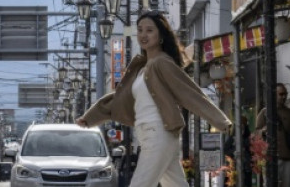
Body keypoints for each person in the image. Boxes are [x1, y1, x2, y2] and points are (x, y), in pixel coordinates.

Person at [76, 11, 232, 186]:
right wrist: (90, 118)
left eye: (149, 30)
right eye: (140, 30)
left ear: (161, 35)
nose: (143, 35)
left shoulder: (162, 62)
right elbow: (120, 99)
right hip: (150, 134)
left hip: (158, 133)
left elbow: (190, 93)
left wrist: (221, 121)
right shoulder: (142, 68)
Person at [255, 84, 290, 186]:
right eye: (281, 94)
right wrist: (263, 131)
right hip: (271, 159)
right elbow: (256, 134)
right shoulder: (265, 112)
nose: (284, 97)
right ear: (274, 95)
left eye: (285, 94)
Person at [224, 115, 252, 187]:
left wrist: (245, 150)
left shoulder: (248, 139)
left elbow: (252, 153)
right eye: (239, 128)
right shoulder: (231, 139)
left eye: (242, 128)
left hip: (245, 169)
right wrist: (233, 152)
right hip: (233, 169)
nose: (241, 130)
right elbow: (225, 151)